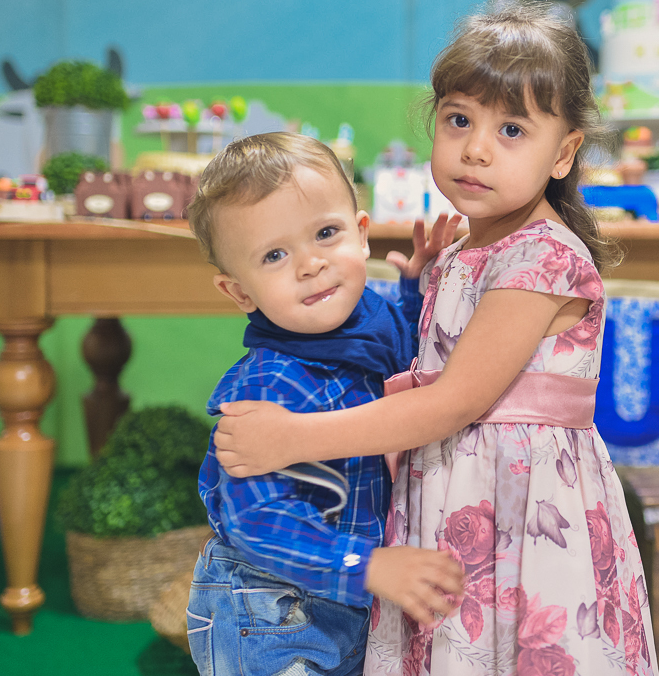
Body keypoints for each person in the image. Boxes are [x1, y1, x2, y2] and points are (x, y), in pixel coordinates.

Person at [213, 1, 659, 676]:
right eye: (458, 120)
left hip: (524, 519)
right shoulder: (460, 256)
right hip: (455, 499)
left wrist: (293, 439)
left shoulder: (543, 258)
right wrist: (423, 289)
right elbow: (426, 359)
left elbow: (452, 403)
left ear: (564, 152)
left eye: (512, 128)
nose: (476, 148)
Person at [184, 132, 466, 676]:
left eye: (326, 233)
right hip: (267, 608)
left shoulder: (369, 323)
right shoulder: (266, 387)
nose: (310, 264)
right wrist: (367, 565)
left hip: (342, 603)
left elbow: (403, 353)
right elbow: (257, 518)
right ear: (240, 293)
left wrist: (420, 290)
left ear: (361, 235)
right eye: (274, 255)